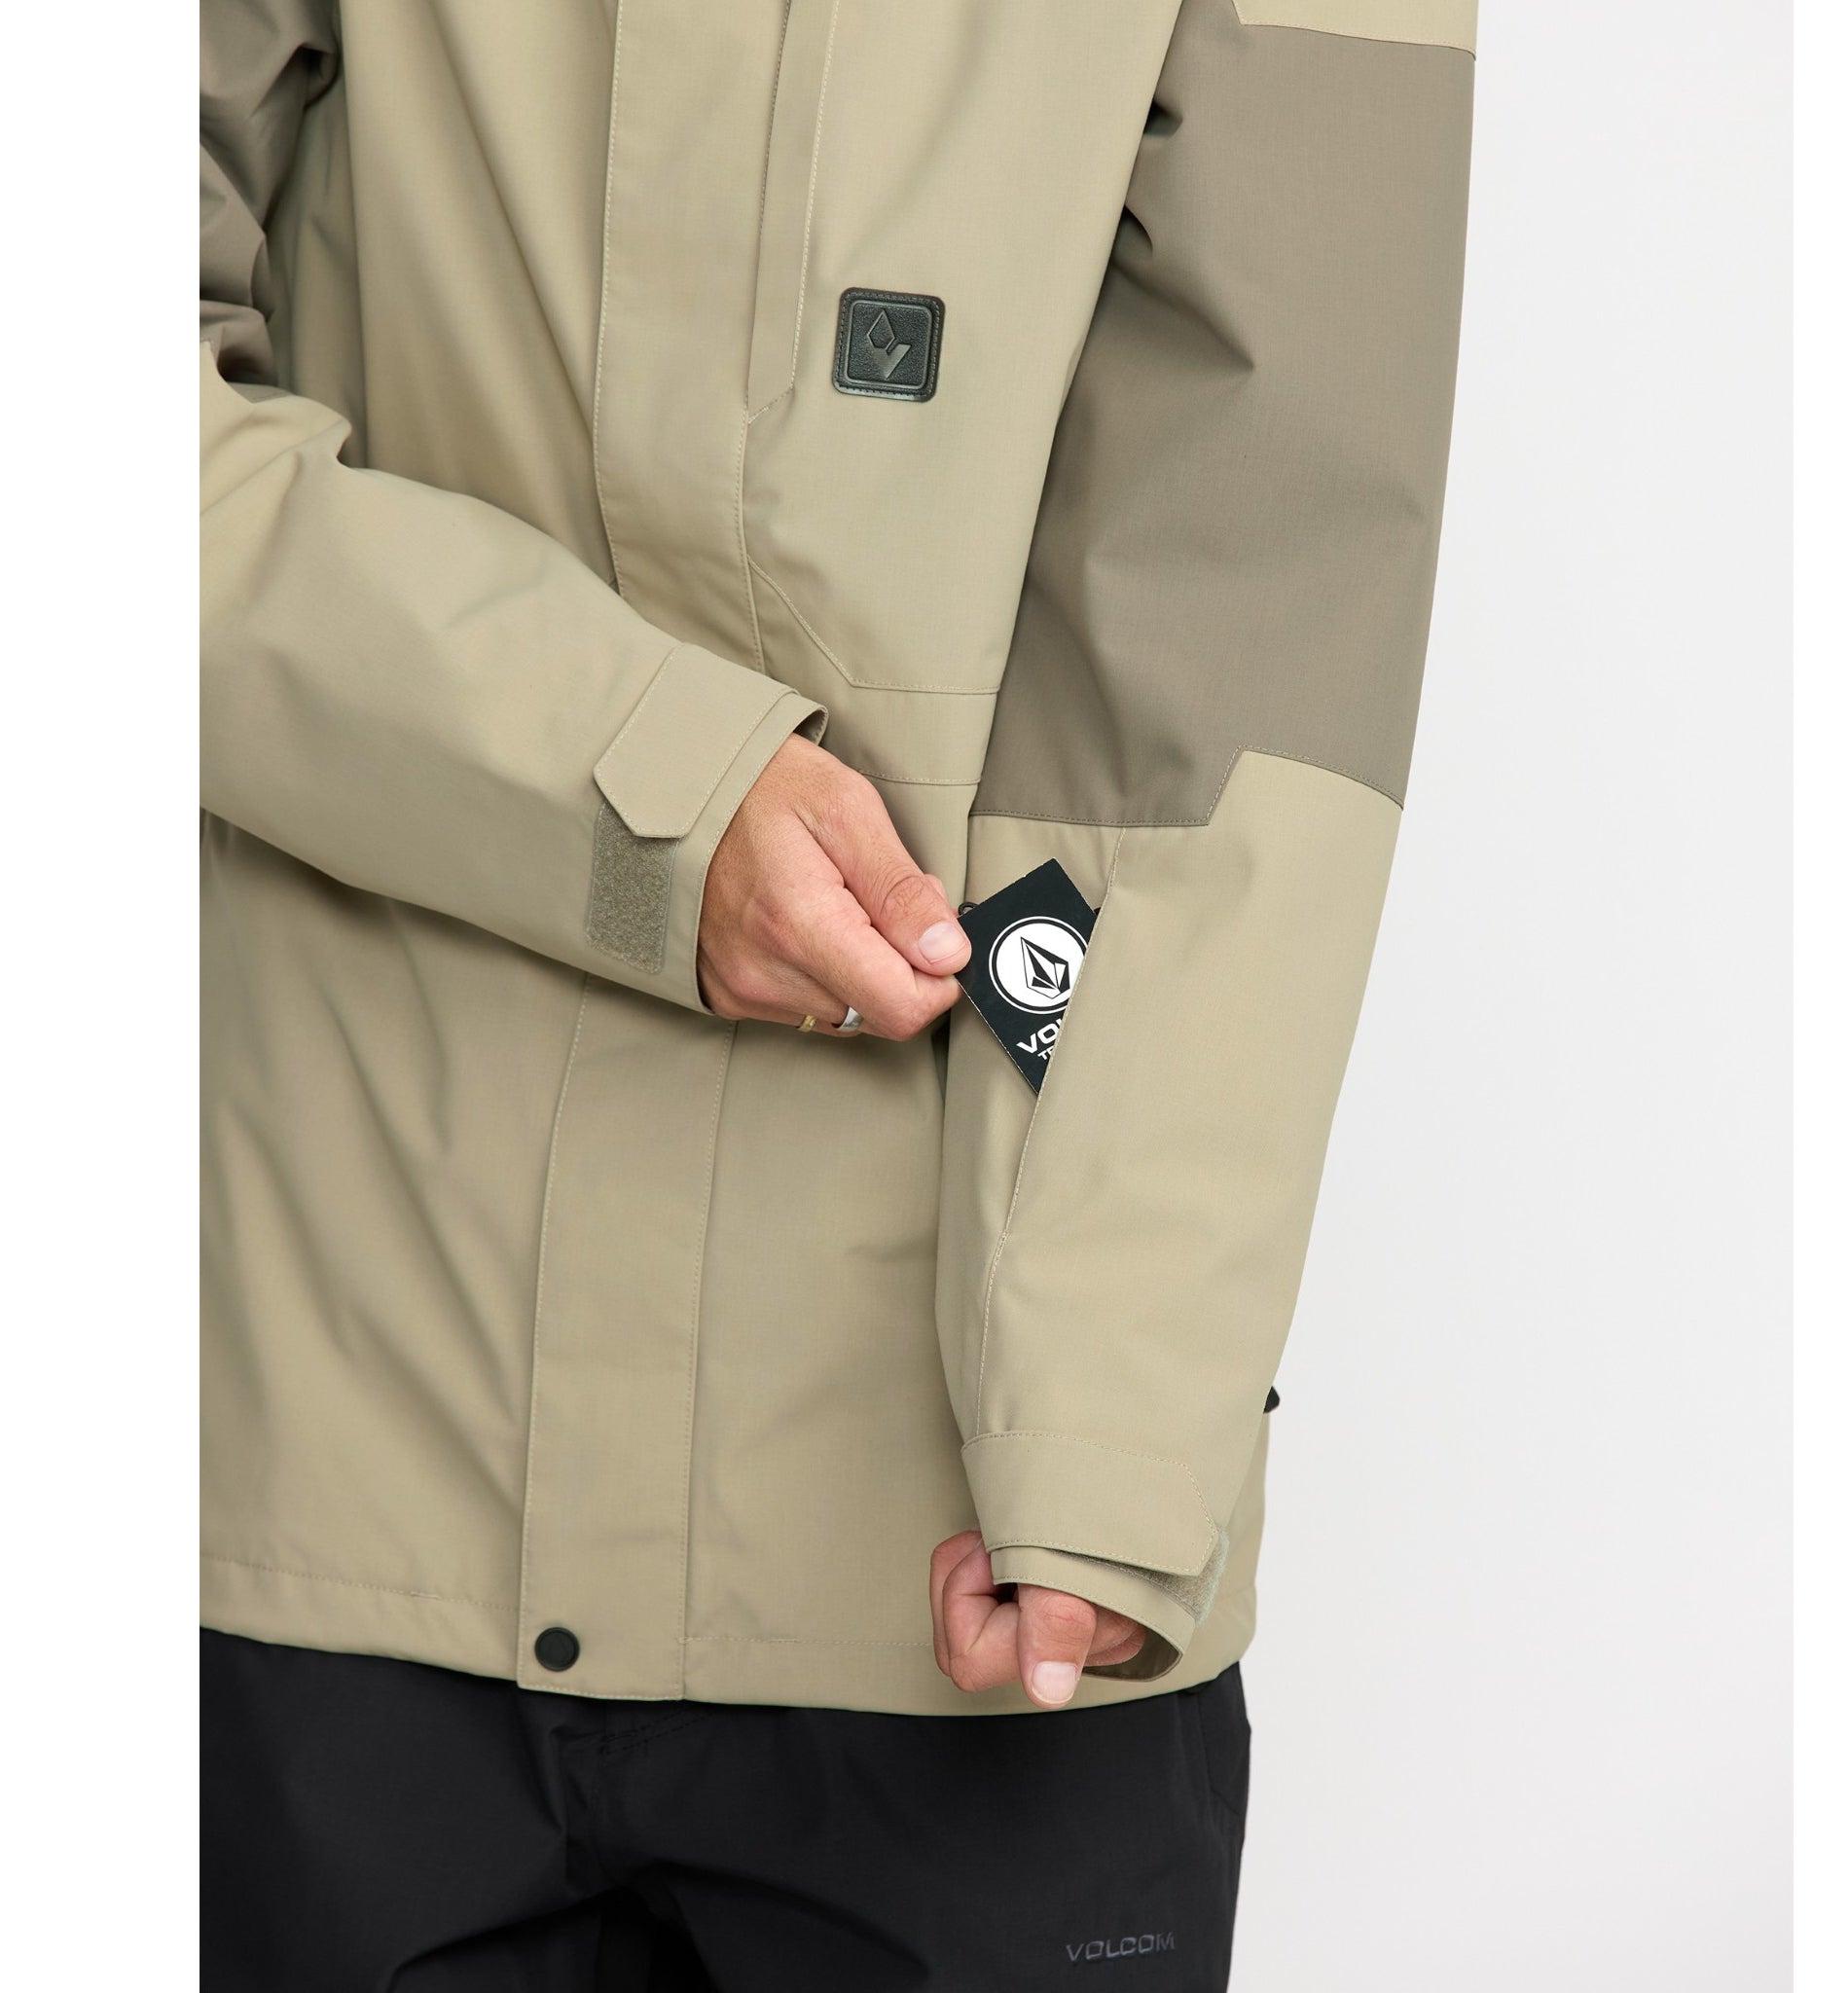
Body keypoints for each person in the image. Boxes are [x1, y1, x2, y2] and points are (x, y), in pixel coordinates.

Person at [199, 0, 1475, 1984]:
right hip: (325, 1478)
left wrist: (1105, 1427)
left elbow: (1224, 667)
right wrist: (634, 792)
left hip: (947, 1559)